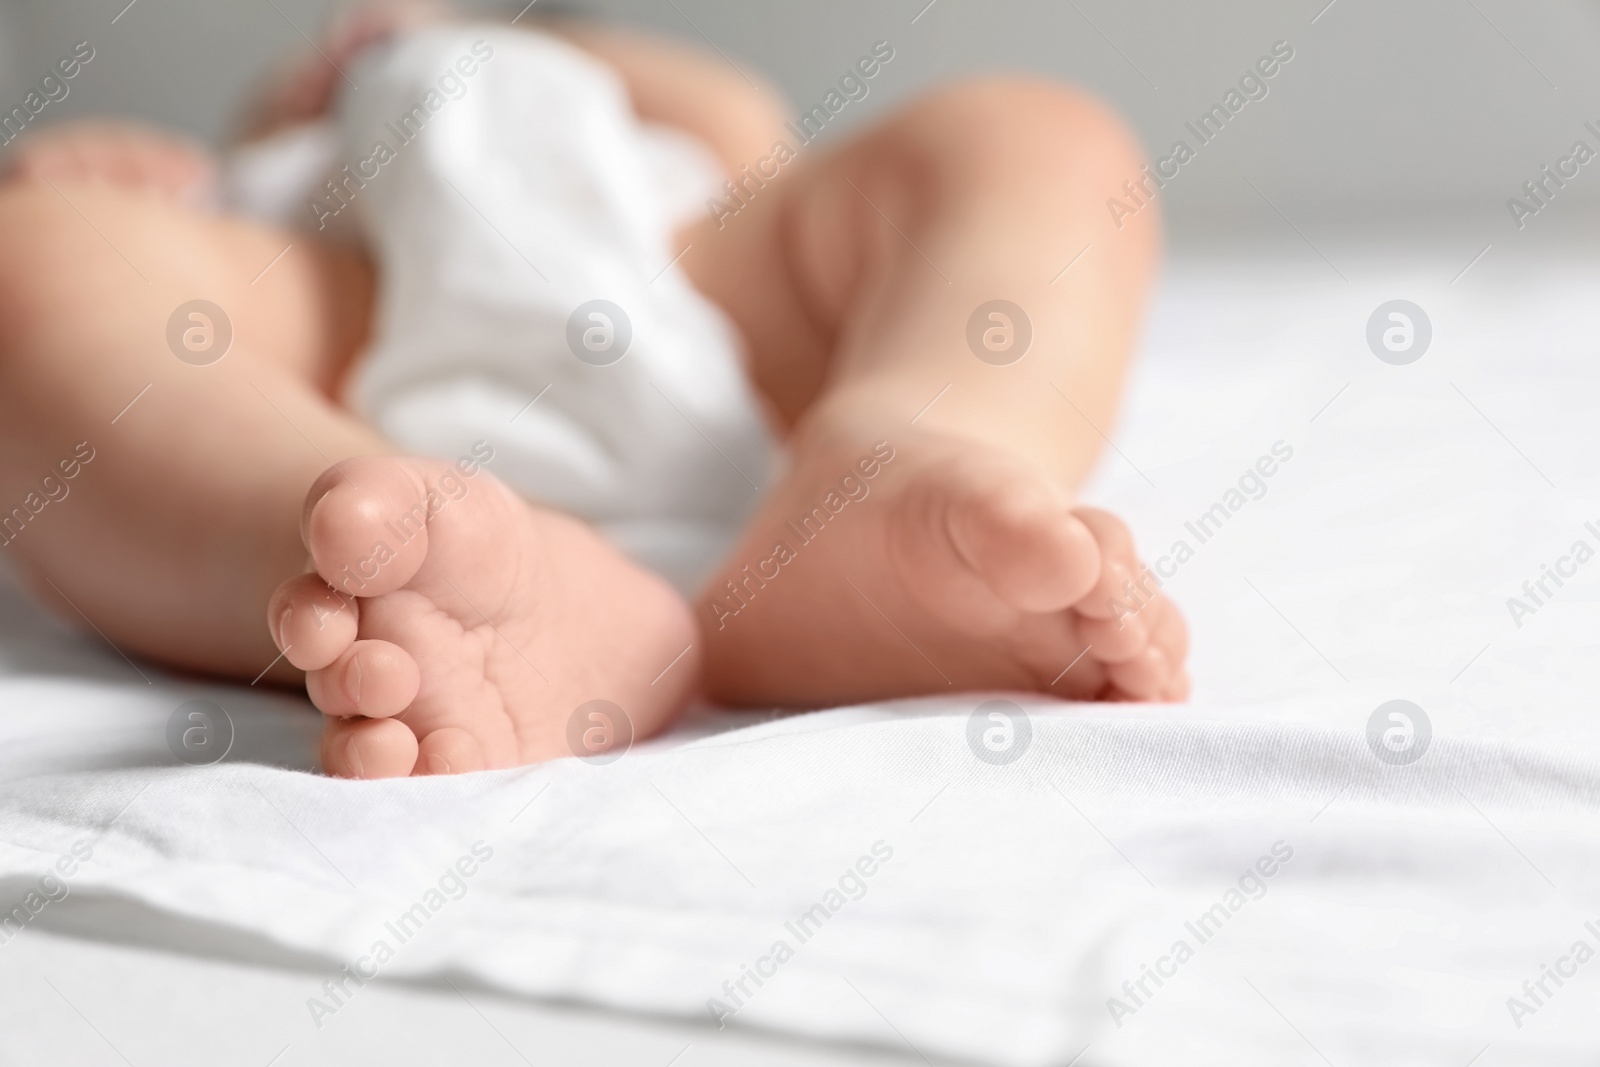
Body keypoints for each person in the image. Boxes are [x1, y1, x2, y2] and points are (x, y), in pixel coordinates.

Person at [0, 4, 1186, 779]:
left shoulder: (618, 113)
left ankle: (901, 450)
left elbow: (754, 136)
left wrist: (568, 49)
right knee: (35, 265)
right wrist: (103, 179)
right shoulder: (280, 176)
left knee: (1032, 136)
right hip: (344, 327)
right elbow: (134, 235)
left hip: (694, 289)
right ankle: (354, 545)